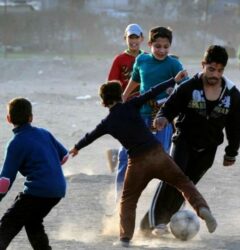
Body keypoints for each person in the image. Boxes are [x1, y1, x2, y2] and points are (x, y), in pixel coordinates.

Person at [69, 71, 217, 247]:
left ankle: (124, 239)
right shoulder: (132, 104)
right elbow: (152, 92)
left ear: (104, 102)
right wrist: (173, 80)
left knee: (129, 200)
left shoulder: (107, 122)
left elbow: (90, 136)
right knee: (183, 183)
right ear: (121, 96)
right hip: (158, 154)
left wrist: (76, 148)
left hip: (137, 162)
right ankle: (202, 208)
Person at [140, 45, 240, 236]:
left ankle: (150, 225)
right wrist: (162, 118)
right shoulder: (188, 87)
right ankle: (157, 223)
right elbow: (169, 107)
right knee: (172, 179)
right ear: (203, 65)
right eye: (211, 69)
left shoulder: (232, 94)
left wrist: (232, 152)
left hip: (208, 149)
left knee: (186, 187)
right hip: (183, 142)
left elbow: (236, 126)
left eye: (220, 70)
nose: (215, 74)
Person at [0, 98, 68, 250]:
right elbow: (64, 156)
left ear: (8, 119)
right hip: (58, 189)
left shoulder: (16, 143)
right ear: (31, 117)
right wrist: (49, 165)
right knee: (33, 221)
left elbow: (5, 181)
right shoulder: (44, 133)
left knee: (9, 222)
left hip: (38, 191)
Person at [122, 26, 185, 154]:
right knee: (129, 152)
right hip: (141, 113)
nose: (162, 50)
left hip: (162, 116)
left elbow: (185, 86)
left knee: (159, 153)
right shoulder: (141, 60)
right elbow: (135, 79)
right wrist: (124, 95)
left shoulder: (174, 64)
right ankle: (125, 175)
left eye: (166, 47)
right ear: (150, 44)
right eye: (157, 46)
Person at [105, 23, 145, 201]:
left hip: (145, 108)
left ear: (142, 39)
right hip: (126, 107)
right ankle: (119, 197)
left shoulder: (147, 58)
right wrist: (113, 104)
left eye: (136, 37)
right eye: (131, 37)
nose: (134, 41)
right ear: (125, 39)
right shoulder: (120, 59)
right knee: (126, 153)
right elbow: (112, 83)